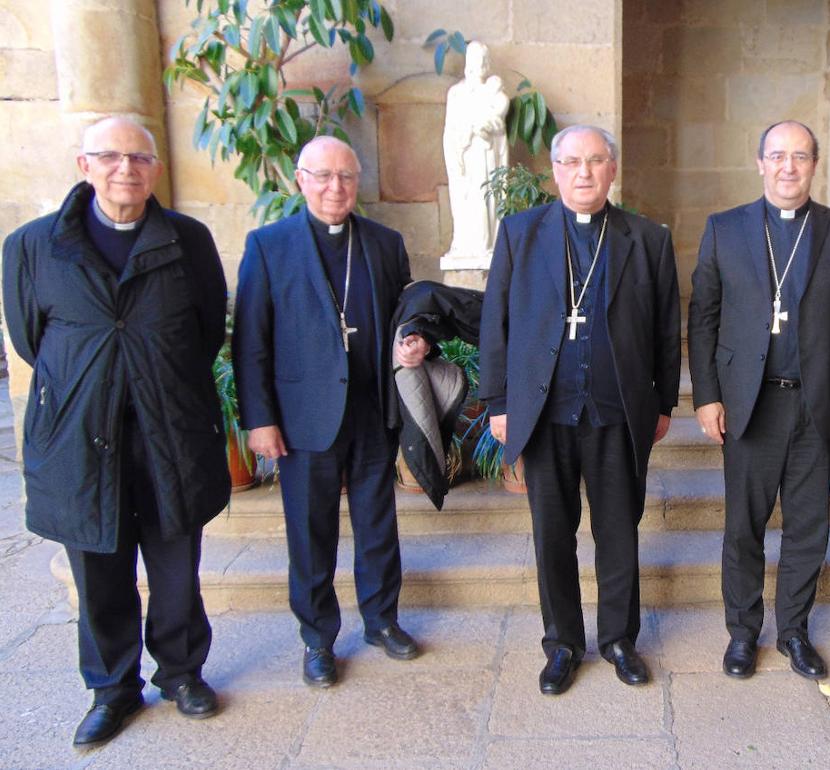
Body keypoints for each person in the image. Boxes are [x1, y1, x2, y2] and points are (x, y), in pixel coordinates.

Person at [2, 116, 230, 746]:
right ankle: (112, 688)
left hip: (170, 434)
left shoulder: (188, 240)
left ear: (155, 169)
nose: (125, 169)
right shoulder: (31, 246)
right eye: (110, 157)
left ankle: (182, 673)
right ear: (84, 165)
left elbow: (206, 330)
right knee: (97, 571)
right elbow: (30, 340)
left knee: (176, 563)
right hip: (80, 439)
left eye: (139, 158)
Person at [478, 124, 681, 695]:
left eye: (595, 162)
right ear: (556, 170)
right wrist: (499, 402)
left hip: (617, 412)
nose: (584, 173)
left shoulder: (647, 238)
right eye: (571, 162)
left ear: (612, 170)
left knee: (619, 531)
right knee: (552, 534)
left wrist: (664, 399)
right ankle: (563, 643)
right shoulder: (520, 233)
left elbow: (667, 327)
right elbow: (495, 324)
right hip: (544, 414)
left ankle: (619, 639)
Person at [233, 136, 428, 688]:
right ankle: (317, 638)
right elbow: (251, 340)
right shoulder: (270, 246)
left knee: (377, 524)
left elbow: (405, 316)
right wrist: (259, 419)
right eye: (322, 176)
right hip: (302, 417)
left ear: (356, 181)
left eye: (345, 176)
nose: (334, 187)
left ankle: (381, 620)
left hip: (371, 407)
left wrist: (413, 341)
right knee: (310, 531)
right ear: (300, 180)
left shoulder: (385, 243)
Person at [687, 120, 830, 681]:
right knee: (743, 525)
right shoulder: (724, 229)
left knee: (808, 525)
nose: (788, 167)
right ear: (760, 162)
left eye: (800, 156)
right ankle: (743, 634)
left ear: (815, 164)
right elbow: (703, 319)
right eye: (777, 156)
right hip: (749, 405)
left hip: (815, 403)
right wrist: (706, 396)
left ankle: (794, 631)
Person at [442, 40, 510, 260]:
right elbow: (451, 129)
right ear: (468, 63)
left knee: (487, 196)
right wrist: (470, 130)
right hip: (466, 155)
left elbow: (498, 125)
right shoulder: (457, 93)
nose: (480, 63)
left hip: (487, 154)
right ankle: (466, 244)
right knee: (467, 198)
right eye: (475, 59)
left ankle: (486, 244)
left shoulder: (497, 94)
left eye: (483, 59)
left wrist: (488, 126)